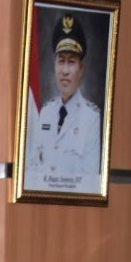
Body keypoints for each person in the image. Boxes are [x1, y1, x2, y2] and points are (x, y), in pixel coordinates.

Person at [23, 12, 102, 191]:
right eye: (61, 61)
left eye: (71, 62)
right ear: (54, 65)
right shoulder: (46, 112)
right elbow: (32, 167)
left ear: (81, 69)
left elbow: (89, 182)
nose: (65, 71)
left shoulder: (91, 118)